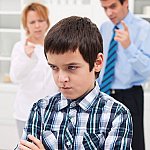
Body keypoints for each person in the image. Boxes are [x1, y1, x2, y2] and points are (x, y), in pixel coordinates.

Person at [17, 16, 133, 150]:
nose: (61, 78)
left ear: (97, 63)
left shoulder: (116, 114)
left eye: (71, 67)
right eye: (54, 67)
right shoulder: (40, 109)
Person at [97, 0, 150, 149]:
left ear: (125, 2)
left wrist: (128, 47)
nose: (109, 13)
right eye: (105, 8)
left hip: (129, 96)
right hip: (104, 94)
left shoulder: (144, 28)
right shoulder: (105, 28)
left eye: (113, 6)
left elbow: (147, 70)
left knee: (133, 144)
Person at [9, 2, 58, 138]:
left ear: (46, 22)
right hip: (26, 112)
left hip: (51, 112)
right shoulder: (20, 48)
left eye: (40, 20)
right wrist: (27, 58)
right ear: (26, 25)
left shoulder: (54, 47)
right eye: (32, 22)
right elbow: (15, 77)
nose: (37, 25)